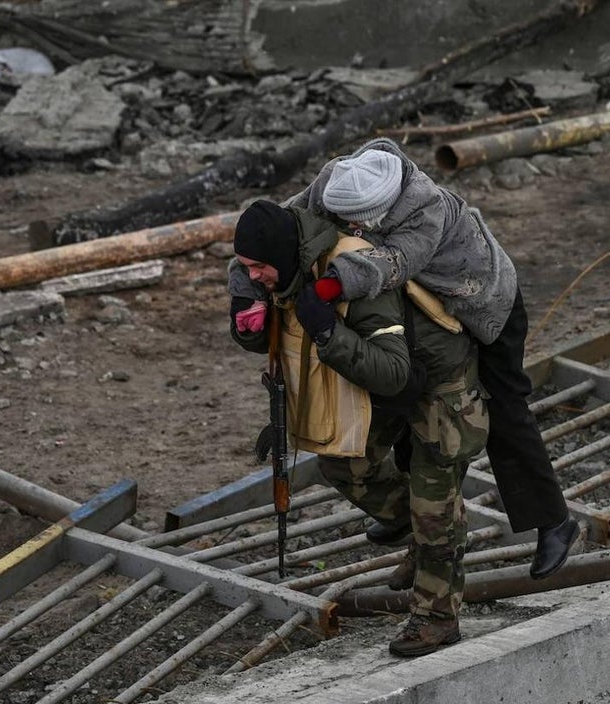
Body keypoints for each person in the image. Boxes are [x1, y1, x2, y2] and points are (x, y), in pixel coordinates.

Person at [285, 138, 579, 579]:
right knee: (413, 408)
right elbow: (286, 224)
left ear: (382, 207)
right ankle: (416, 534)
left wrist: (329, 286)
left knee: (500, 411)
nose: (352, 230)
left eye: (359, 224)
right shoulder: (338, 180)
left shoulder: (425, 206)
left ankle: (553, 520)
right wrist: (246, 286)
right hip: (428, 311)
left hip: (482, 302)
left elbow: (394, 262)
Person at [228, 199, 488, 657]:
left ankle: (437, 618)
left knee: (435, 505)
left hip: (440, 387)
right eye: (245, 268)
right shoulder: (291, 268)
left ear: (280, 253)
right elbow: (286, 331)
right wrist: (250, 323)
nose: (252, 277)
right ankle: (427, 539)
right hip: (384, 383)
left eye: (257, 268)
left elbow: (392, 371)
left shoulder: (354, 272)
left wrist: (328, 331)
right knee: (345, 465)